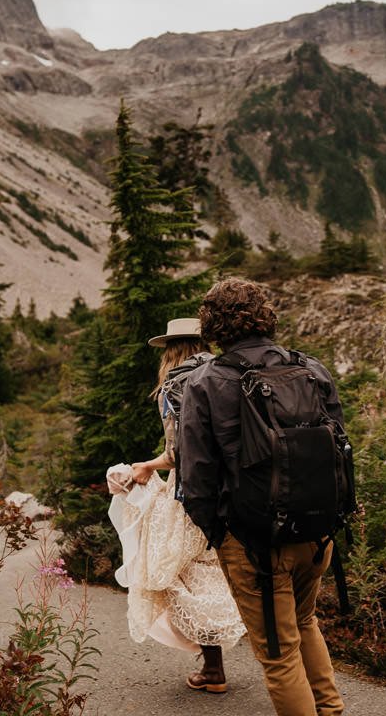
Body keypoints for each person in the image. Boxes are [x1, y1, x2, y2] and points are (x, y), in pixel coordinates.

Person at [179, 278, 346, 716]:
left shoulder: (204, 383)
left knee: (277, 654)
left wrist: (222, 536)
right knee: (305, 623)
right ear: (263, 314)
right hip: (317, 533)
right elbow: (342, 449)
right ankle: (331, 710)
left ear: (212, 323)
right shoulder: (312, 369)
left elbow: (195, 477)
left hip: (252, 542)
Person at [106, 317, 245, 693]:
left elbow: (178, 452)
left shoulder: (177, 385)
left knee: (181, 574)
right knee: (222, 572)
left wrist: (146, 466)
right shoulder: (229, 375)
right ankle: (271, 662)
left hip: (193, 495)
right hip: (240, 491)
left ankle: (214, 668)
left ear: (174, 349)